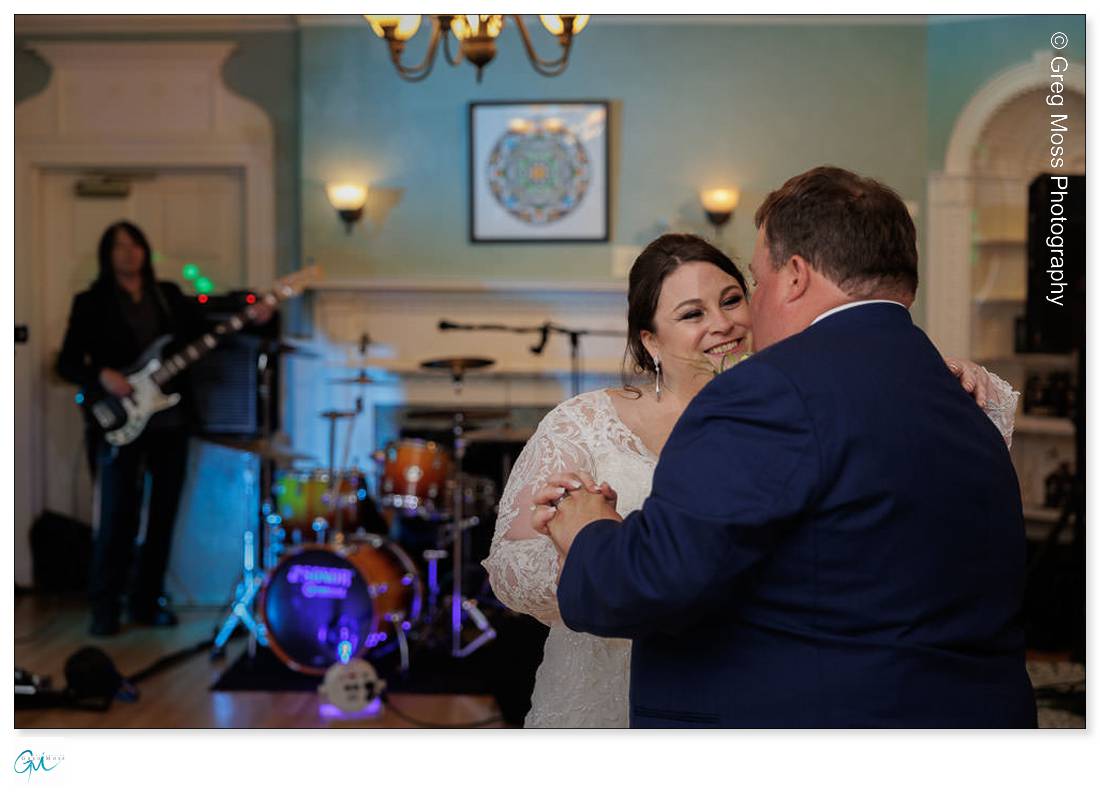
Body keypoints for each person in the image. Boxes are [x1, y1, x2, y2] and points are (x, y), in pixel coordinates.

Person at [483, 213, 1021, 726]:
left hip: (754, 693)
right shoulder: (584, 424)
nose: (723, 324)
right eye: (692, 314)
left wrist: (598, 537)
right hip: (608, 695)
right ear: (650, 341)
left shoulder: (806, 400)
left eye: (733, 298)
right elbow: (512, 574)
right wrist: (573, 541)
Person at [57, 221, 270, 636]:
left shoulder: (167, 297)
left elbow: (211, 330)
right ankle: (105, 605)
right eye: (119, 246)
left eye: (135, 244)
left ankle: (146, 600)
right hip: (119, 420)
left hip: (170, 420)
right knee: (117, 514)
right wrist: (102, 375)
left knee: (163, 515)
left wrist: (255, 315)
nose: (129, 252)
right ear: (107, 254)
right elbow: (67, 362)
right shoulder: (91, 302)